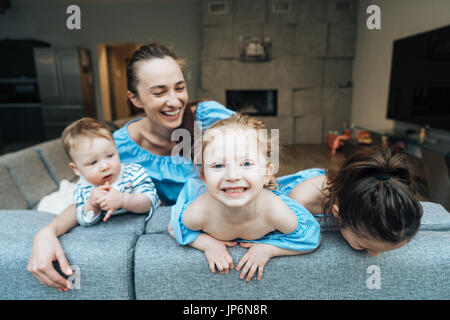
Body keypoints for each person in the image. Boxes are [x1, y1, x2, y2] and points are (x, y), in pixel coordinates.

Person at [27, 42, 235, 290]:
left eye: (179, 88)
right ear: (134, 98)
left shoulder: (209, 117)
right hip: (180, 233)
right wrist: (47, 232)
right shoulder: (119, 150)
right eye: (159, 92)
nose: (174, 101)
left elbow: (259, 157)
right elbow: (92, 195)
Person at [169, 113, 321, 282]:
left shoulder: (275, 211)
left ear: (267, 173)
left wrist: (269, 249)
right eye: (218, 165)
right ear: (204, 178)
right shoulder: (199, 212)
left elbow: (310, 235)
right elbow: (174, 226)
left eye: (246, 164)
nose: (232, 176)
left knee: (304, 191)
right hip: (207, 197)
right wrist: (207, 244)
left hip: (266, 199)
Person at [277, 146, 423, 257]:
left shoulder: (370, 188)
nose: (375, 255)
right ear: (337, 213)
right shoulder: (299, 201)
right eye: (364, 246)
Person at [62, 117, 159, 226]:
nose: (105, 166)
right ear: (77, 169)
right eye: (93, 162)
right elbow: (85, 220)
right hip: (109, 231)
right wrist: (91, 205)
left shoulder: (133, 172)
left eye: (109, 155)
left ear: (116, 150)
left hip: (141, 222)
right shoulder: (83, 188)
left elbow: (150, 201)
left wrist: (123, 200)